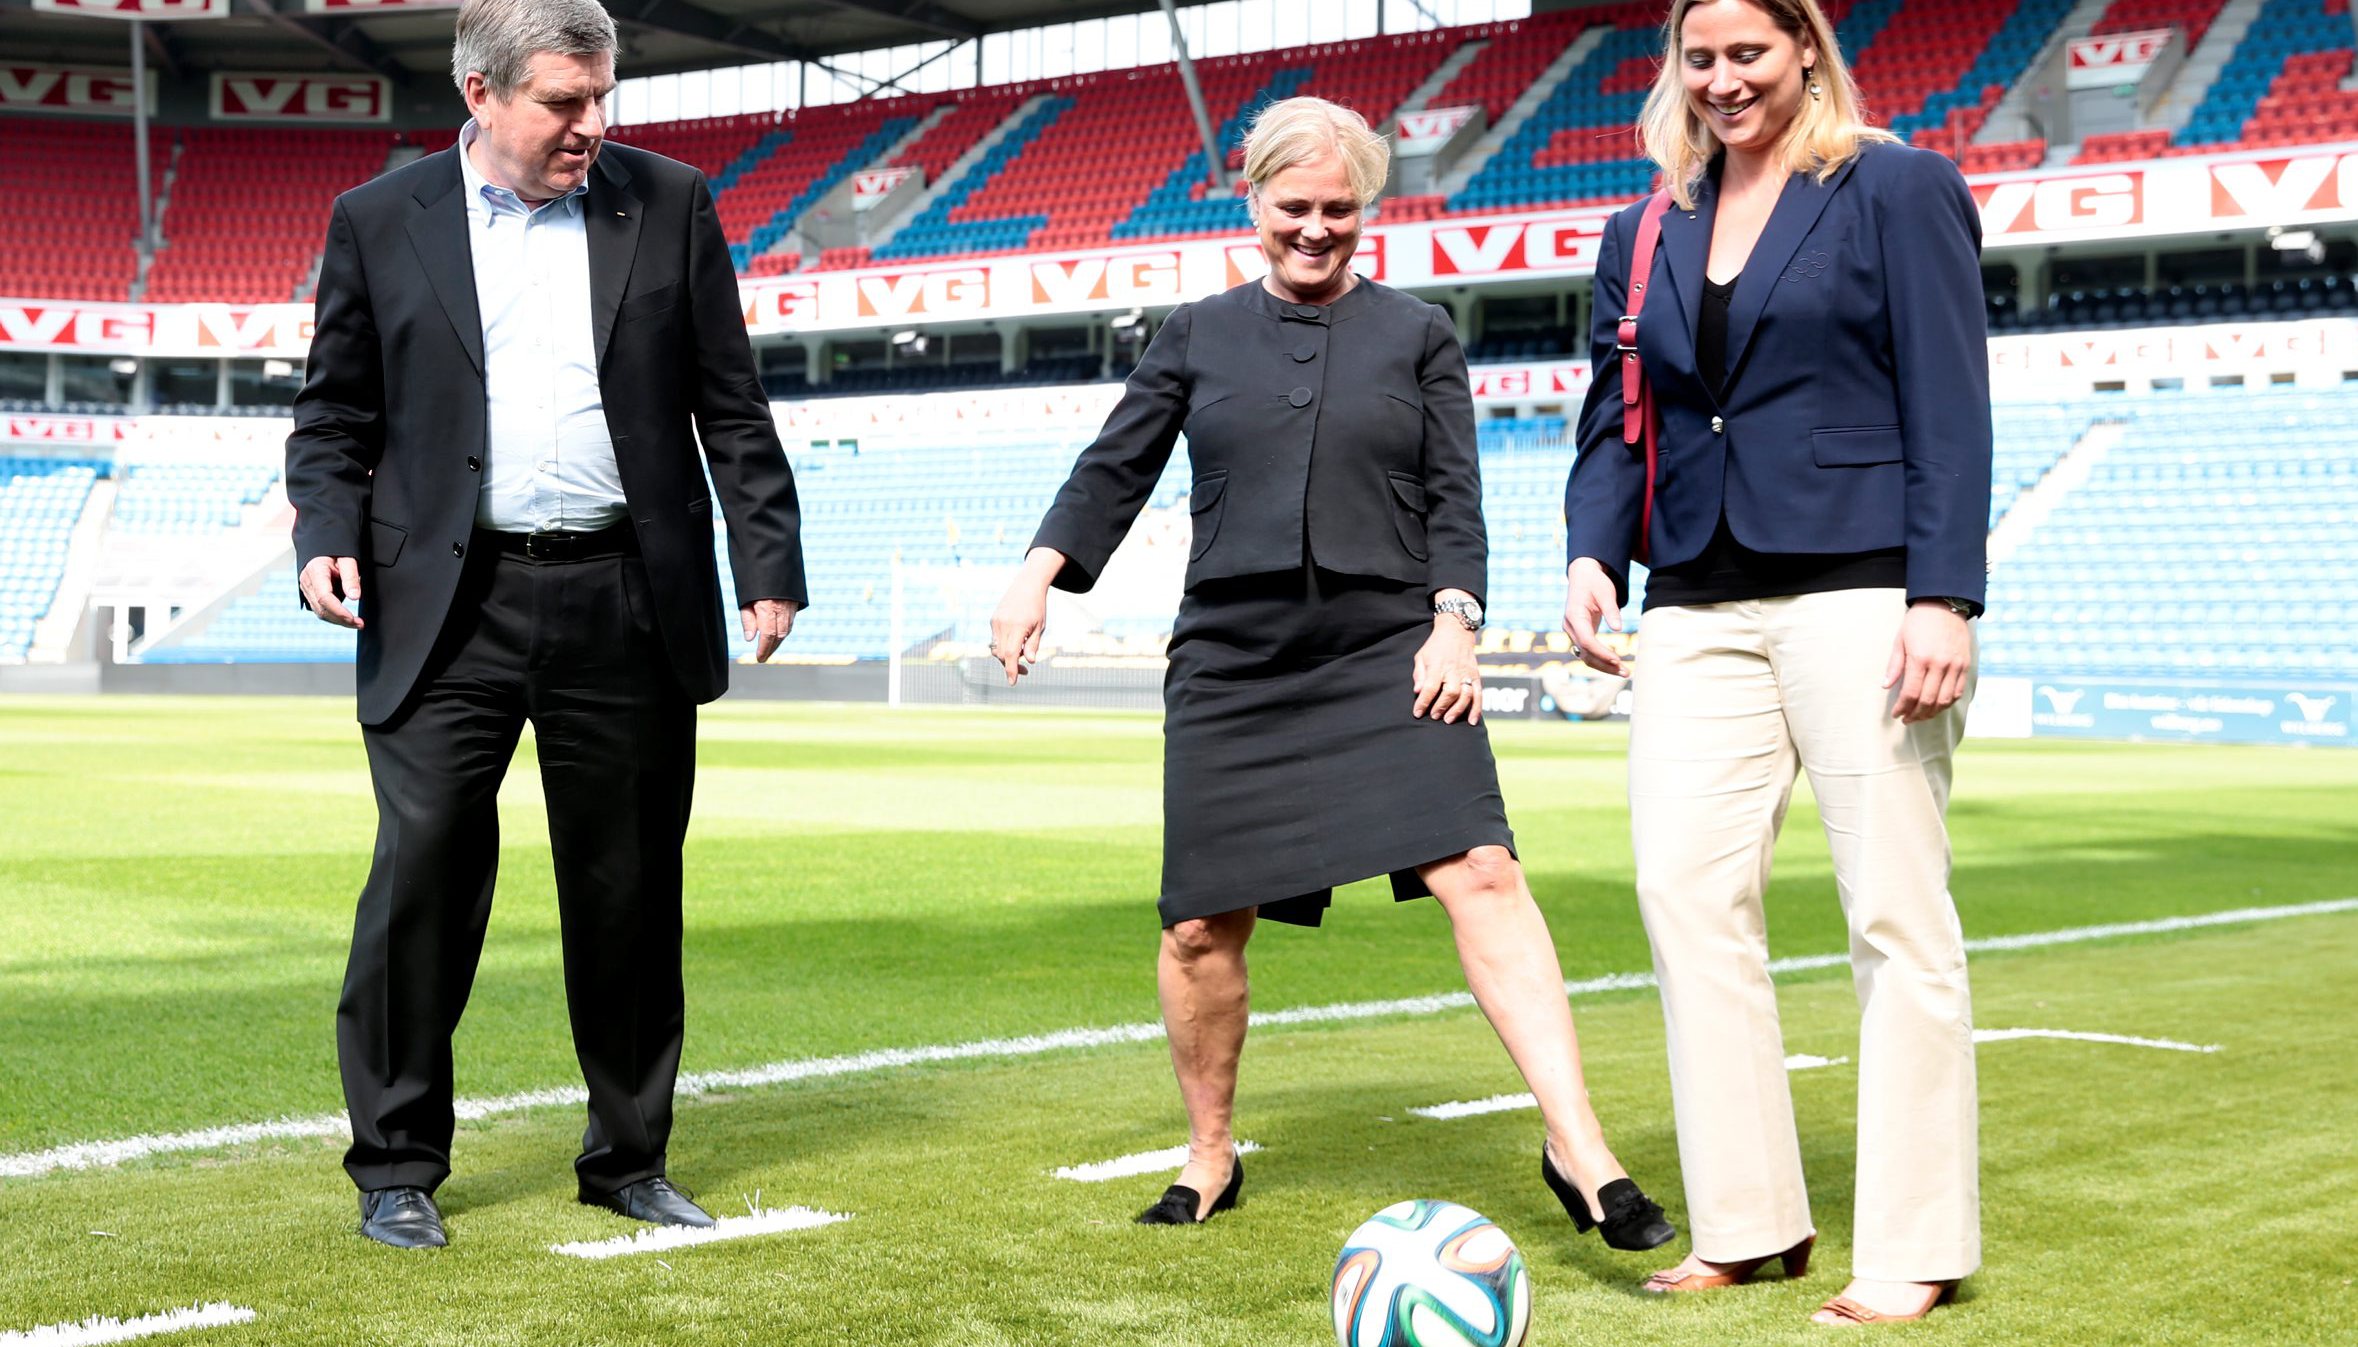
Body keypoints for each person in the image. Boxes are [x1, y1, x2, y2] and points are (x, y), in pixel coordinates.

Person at [993, 96, 1672, 1248]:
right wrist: (1038, 573)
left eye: (1341, 213)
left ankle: (1580, 1147)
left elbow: (1457, 495)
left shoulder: (1420, 333)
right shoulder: (1196, 332)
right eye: (1294, 209)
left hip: (1391, 646)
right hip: (1234, 659)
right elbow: (1115, 465)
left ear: (1370, 212)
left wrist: (1454, 621)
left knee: (1485, 873)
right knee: (1201, 930)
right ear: (1251, 203)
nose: (1316, 231)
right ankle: (1210, 1153)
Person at [284, 0, 807, 1249]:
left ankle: (628, 1159)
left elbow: (730, 401)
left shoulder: (671, 201)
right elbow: (334, 416)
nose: (591, 124)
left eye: (602, 97)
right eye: (563, 102)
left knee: (628, 891)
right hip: (443, 607)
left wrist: (768, 558)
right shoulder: (377, 220)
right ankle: (397, 1166)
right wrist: (322, 535)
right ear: (481, 94)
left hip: (627, 595)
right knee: (422, 882)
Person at [1561, 0, 1991, 1325]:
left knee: (1892, 913)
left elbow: (1949, 394)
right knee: (1684, 896)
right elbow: (1610, 417)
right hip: (1691, 595)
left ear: (1804, 47)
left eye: (1748, 52)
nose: (1724, 78)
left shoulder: (1896, 186)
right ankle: (1749, 1223)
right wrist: (1590, 553)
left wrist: (1943, 594)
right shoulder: (1640, 227)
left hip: (1861, 588)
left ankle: (1913, 1243)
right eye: (1700, 56)